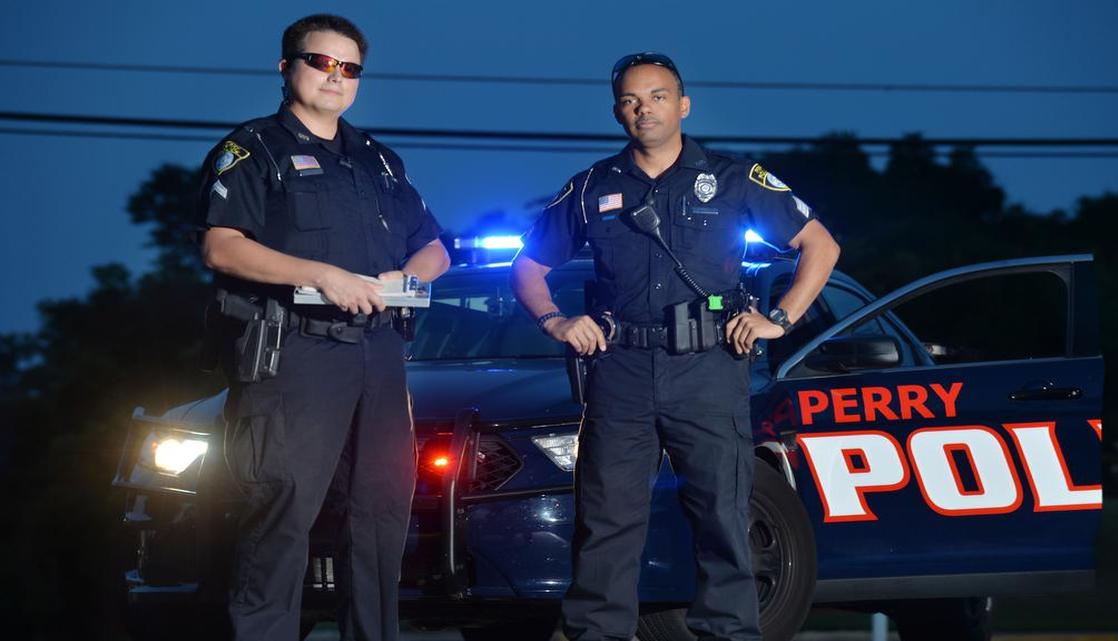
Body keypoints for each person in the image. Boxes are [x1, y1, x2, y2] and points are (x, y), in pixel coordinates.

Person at [511, 53, 840, 641]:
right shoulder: (592, 186)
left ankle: (729, 633)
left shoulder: (736, 178)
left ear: (683, 105)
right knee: (607, 520)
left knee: (722, 515)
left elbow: (820, 245)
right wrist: (556, 320)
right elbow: (528, 266)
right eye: (633, 100)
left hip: (708, 367)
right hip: (620, 370)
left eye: (658, 96)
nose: (645, 109)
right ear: (617, 111)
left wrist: (780, 318)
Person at [196, 14, 449, 641]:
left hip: (380, 357)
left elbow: (436, 248)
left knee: (381, 518)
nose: (336, 77)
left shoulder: (378, 160)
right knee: (281, 514)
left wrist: (407, 278)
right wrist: (321, 273)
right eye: (321, 62)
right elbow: (222, 247)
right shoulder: (252, 149)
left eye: (350, 68)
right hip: (295, 356)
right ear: (286, 68)